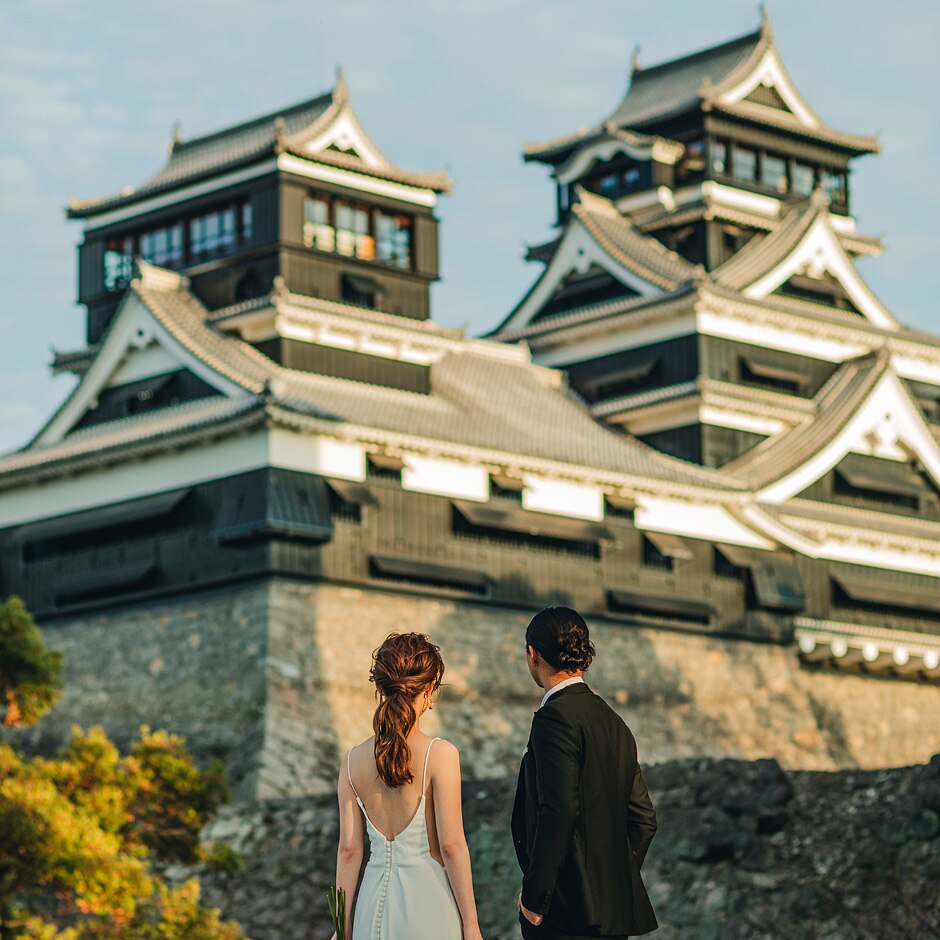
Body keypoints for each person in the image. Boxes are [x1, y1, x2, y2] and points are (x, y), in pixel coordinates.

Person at [512, 607, 658, 939]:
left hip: (564, 916)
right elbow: (644, 819)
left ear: (533, 655)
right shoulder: (614, 723)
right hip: (611, 917)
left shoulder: (554, 718)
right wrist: (609, 882)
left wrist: (536, 898)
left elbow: (559, 809)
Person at [331, 632, 483, 940]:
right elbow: (451, 847)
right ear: (429, 690)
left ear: (380, 687)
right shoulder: (440, 755)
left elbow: (349, 851)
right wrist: (471, 924)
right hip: (428, 905)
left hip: (370, 909)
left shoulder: (351, 761)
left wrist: (341, 927)